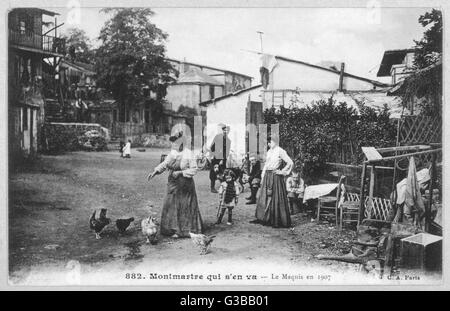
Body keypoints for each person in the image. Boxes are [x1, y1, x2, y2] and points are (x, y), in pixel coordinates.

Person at [147, 131, 203, 238]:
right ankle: (171, 229)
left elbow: (194, 169)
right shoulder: (173, 153)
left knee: (183, 206)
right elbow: (165, 164)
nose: (174, 145)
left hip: (185, 184)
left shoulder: (188, 154)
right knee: (170, 205)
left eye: (177, 143)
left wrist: (181, 172)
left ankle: (183, 231)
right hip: (173, 183)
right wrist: (155, 171)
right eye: (173, 143)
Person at [254, 136, 293, 228]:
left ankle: (276, 220)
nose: (268, 144)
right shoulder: (269, 151)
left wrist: (282, 171)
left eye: (270, 142)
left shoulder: (280, 151)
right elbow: (266, 165)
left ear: (276, 142)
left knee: (276, 197)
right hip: (268, 176)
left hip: (275, 177)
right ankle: (264, 218)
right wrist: (263, 176)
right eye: (267, 142)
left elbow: (290, 162)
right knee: (265, 197)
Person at [208, 124, 231, 193]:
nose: (225, 132)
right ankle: (212, 187)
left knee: (222, 172)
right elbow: (212, 147)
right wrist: (211, 154)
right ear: (222, 131)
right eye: (224, 130)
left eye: (227, 131)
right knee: (213, 172)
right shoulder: (217, 137)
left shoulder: (228, 141)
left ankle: (223, 186)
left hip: (222, 159)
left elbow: (227, 152)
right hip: (215, 158)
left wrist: (222, 160)